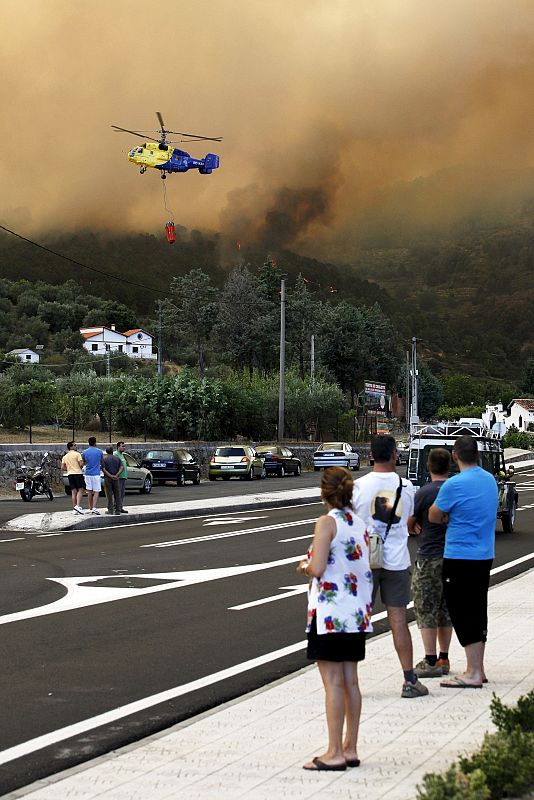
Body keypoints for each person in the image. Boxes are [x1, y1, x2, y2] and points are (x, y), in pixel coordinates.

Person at [297, 467, 372, 771]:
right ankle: (350, 748)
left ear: (323, 493)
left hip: (329, 614)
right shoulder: (358, 522)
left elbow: (317, 567)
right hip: (356, 613)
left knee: (332, 683)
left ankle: (333, 752)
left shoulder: (327, 522)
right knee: (350, 681)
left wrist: (303, 566)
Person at [352, 435, 428, 699]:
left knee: (358, 620)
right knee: (398, 620)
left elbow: (350, 522)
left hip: (365, 561)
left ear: (371, 455)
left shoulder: (357, 487)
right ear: (395, 455)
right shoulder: (406, 487)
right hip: (396, 560)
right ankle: (409, 680)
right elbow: (410, 521)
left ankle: (350, 682)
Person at [429, 435, 498, 689]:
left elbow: (434, 515)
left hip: (459, 555)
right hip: (484, 555)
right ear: (477, 455)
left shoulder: (453, 485)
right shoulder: (490, 480)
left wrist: (449, 517)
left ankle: (471, 672)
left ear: (455, 456)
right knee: (478, 608)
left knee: (461, 611)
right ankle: (479, 668)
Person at [407, 448, 453, 678]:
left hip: (429, 556)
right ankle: (445, 657)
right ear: (449, 466)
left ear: (428, 466)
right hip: (453, 556)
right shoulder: (456, 490)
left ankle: (430, 659)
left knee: (426, 607)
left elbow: (411, 521)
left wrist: (414, 527)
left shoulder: (424, 493)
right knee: (446, 609)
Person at [82, 437, 104, 515]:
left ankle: (90, 507)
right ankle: (94, 508)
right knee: (96, 491)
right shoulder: (99, 452)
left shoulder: (84, 452)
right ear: (95, 442)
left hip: (88, 473)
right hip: (96, 473)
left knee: (89, 491)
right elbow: (102, 462)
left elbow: (84, 462)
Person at [61, 441, 84, 515]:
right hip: (78, 473)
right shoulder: (77, 454)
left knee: (73, 491)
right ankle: (78, 505)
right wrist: (79, 467)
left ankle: (74, 507)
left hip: (70, 474)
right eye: (74, 445)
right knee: (80, 489)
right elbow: (81, 464)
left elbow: (62, 467)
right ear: (71, 447)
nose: (76, 446)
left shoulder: (65, 456)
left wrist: (68, 469)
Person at [102, 446, 123, 515]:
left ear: (106, 451)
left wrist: (110, 476)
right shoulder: (117, 458)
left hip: (108, 478)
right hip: (116, 478)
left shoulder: (104, 459)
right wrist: (116, 475)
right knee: (117, 494)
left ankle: (110, 510)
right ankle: (118, 510)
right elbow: (121, 467)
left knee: (109, 494)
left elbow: (104, 469)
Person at [113, 441, 129, 514]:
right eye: (122, 446)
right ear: (118, 447)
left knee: (122, 493)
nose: (124, 448)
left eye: (124, 446)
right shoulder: (116, 454)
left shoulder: (122, 455)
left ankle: (120, 506)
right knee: (118, 493)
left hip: (123, 477)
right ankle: (116, 507)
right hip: (119, 477)